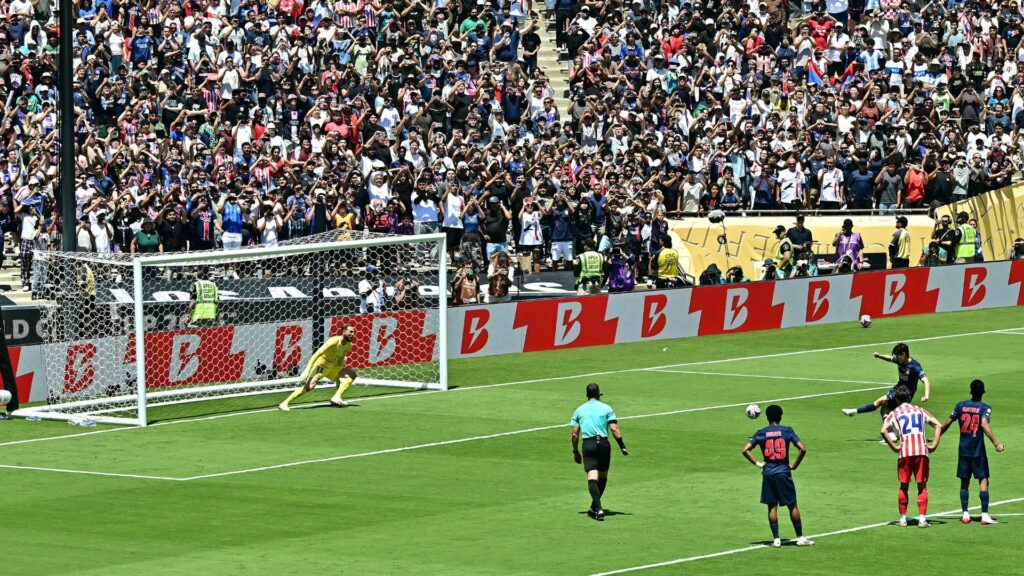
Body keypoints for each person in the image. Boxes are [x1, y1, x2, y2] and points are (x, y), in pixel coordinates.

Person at [741, 404, 814, 548]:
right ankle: (800, 537)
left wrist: (758, 464)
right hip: (783, 472)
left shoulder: (761, 433)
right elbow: (802, 449)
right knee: (792, 505)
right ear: (780, 416)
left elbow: (745, 450)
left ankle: (776, 540)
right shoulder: (787, 431)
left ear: (767, 417)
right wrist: (794, 466)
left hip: (768, 473)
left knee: (772, 506)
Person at [937, 379, 1005, 525]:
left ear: (970, 391)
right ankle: (985, 515)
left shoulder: (960, 406)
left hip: (963, 450)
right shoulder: (985, 408)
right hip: (977, 450)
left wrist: (936, 438)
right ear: (983, 392)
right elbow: (984, 424)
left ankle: (965, 514)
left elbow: (947, 423)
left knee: (964, 481)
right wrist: (996, 442)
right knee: (983, 479)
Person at [880, 385, 942, 528]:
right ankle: (922, 520)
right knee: (922, 486)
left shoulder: (895, 413)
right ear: (909, 397)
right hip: (921, 451)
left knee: (904, 485)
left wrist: (894, 447)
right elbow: (938, 425)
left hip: (905, 452)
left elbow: (883, 430)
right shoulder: (919, 410)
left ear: (896, 399)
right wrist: (934, 445)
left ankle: (903, 519)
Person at [570, 383, 628, 522]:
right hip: (603, 444)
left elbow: (575, 435)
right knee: (602, 476)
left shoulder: (579, 410)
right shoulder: (607, 408)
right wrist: (622, 446)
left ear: (587, 395)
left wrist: (575, 451)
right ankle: (596, 507)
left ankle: (597, 508)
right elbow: (614, 429)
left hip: (588, 444)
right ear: (598, 395)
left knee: (592, 476)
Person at [842, 343, 931, 423]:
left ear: (903, 354)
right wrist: (879, 356)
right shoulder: (900, 360)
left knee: (879, 402)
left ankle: (854, 411)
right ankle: (890, 433)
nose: (896, 357)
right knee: (884, 410)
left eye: (897, 355)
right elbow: (890, 358)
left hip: (904, 394)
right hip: (898, 389)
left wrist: (926, 395)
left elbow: (925, 381)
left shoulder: (915, 366)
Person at [279, 324, 358, 410]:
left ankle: (336, 397)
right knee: (310, 386)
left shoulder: (348, 345)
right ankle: (285, 403)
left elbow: (341, 357)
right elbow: (317, 354)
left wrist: (339, 372)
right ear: (343, 332)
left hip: (332, 368)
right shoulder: (334, 341)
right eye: (350, 331)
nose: (353, 334)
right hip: (321, 366)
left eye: (354, 332)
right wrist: (307, 369)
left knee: (352, 374)